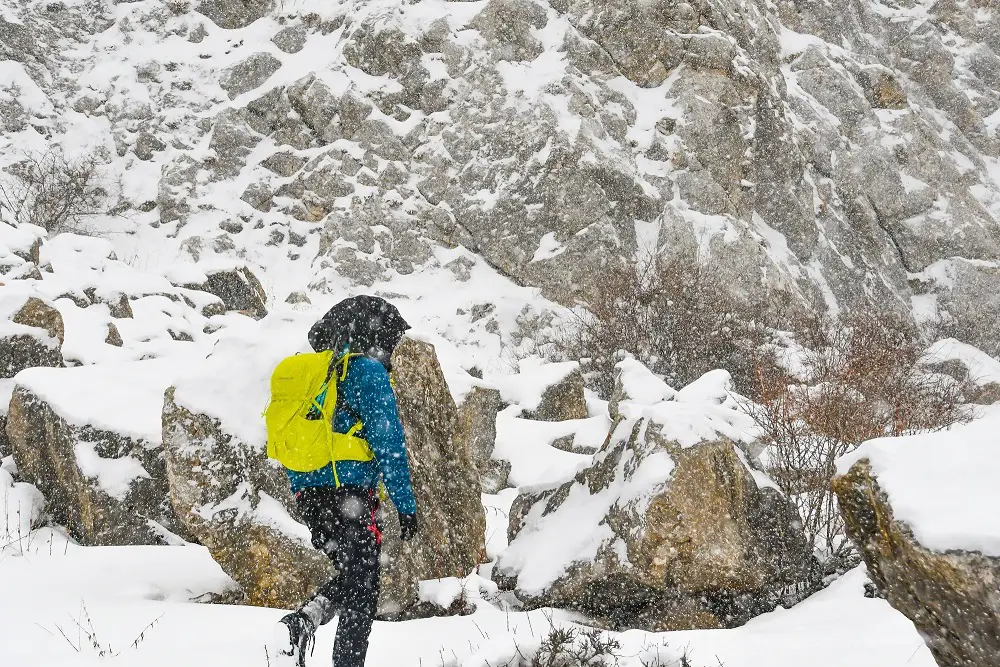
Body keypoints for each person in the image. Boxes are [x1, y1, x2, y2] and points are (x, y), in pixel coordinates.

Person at [272, 296, 418, 667]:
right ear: (377, 336)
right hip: (348, 493)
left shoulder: (319, 375)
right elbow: (389, 442)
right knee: (363, 588)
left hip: (309, 494)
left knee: (356, 576)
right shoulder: (367, 373)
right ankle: (318, 639)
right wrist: (405, 505)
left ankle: (302, 623)